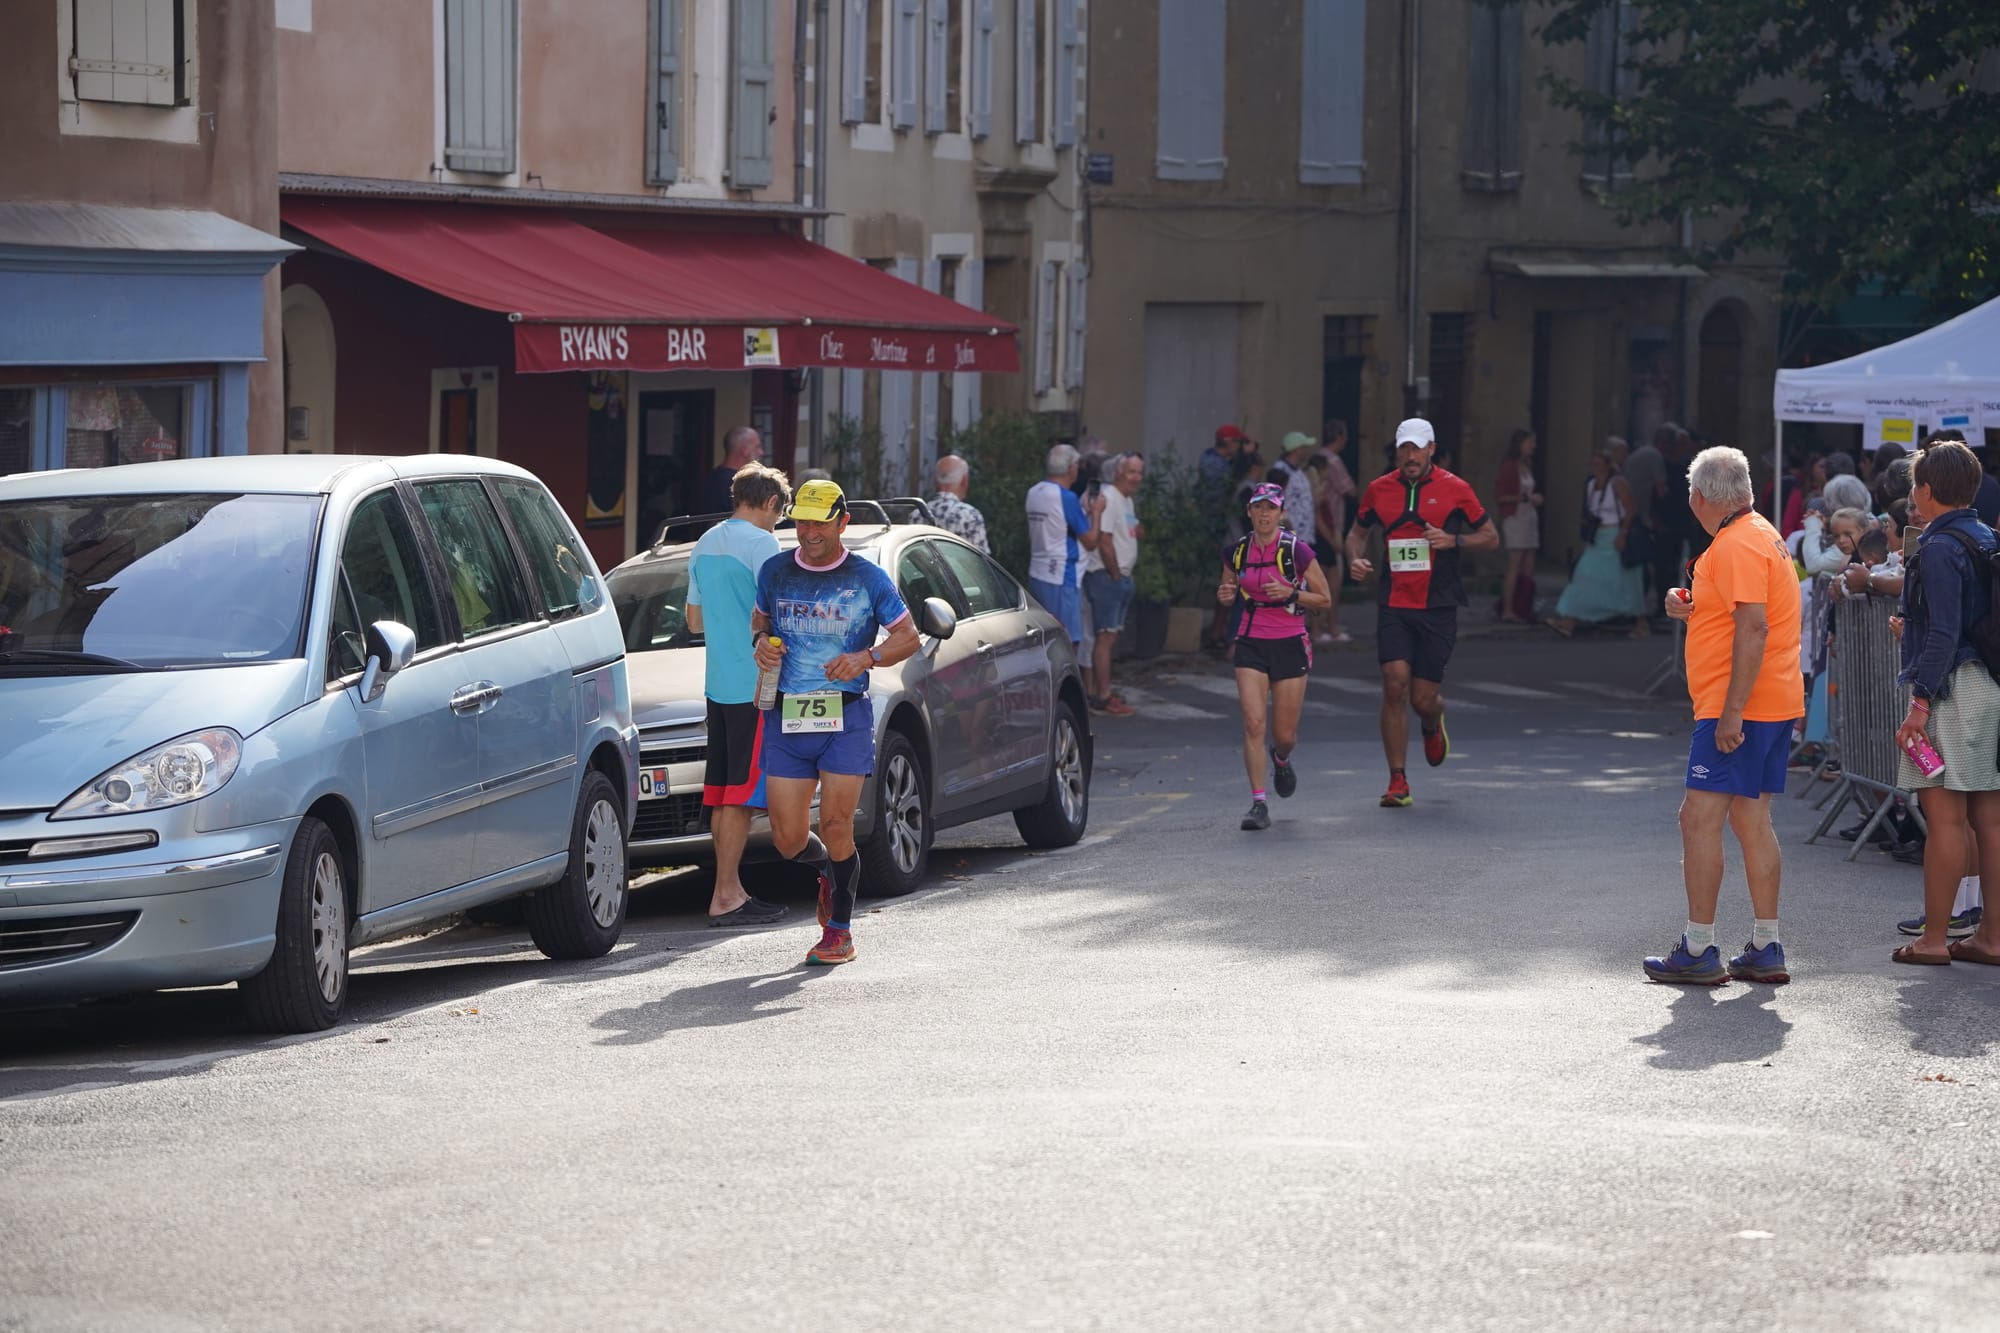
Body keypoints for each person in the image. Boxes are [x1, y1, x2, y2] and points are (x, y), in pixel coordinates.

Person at [1644, 446, 1804, 985]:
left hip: (1739, 707)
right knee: (1750, 818)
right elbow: (1739, 611)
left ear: (1700, 497)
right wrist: (1686, 599)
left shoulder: (1736, 544)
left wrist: (1731, 712)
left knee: (1698, 818)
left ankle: (1698, 947)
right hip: (1771, 700)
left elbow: (1753, 627)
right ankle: (1765, 941)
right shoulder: (1758, 535)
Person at [751, 480, 923, 966]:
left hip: (845, 716)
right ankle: (829, 869)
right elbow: (759, 622)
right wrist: (760, 643)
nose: (807, 532)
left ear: (842, 522)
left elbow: (908, 637)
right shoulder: (775, 571)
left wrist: (866, 657)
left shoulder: (867, 578)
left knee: (837, 822)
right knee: (786, 839)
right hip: (788, 715)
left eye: (818, 523)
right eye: (801, 521)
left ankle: (840, 932)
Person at [1346, 417, 1499, 808]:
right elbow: (1357, 533)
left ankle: (1433, 721)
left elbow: (1490, 536)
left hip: (1438, 603)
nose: (1410, 456)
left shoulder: (1455, 488)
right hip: (1394, 601)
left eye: (1417, 448)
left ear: (1431, 448)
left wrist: (1453, 539)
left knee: (1422, 698)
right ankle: (1397, 779)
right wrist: (1355, 559)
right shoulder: (1379, 490)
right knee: (1393, 682)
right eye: (1404, 449)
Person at [1887, 441, 2000, 966]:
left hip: (1952, 688)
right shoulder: (1985, 537)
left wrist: (1921, 703)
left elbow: (1945, 633)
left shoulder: (1936, 547)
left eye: (1915, 486)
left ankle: (1933, 939)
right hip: (1988, 685)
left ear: (1927, 491)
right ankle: (1991, 937)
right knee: (1990, 821)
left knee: (1947, 819)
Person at [685, 464, 792, 927]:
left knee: (725, 790)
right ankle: (726, 893)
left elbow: (693, 621)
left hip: (717, 684)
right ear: (770, 503)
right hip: (754, 684)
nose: (779, 525)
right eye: (780, 515)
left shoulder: (705, 542)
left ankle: (730, 890)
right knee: (740, 797)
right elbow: (776, 613)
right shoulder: (763, 543)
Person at [1218, 482, 1334, 830]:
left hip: (1289, 640)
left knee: (1284, 734)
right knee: (1253, 723)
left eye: (1271, 508)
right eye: (1259, 507)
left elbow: (1324, 599)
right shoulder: (1236, 552)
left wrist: (1292, 591)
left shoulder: (1297, 551)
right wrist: (1225, 594)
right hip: (1251, 641)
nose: (1265, 514)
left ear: (1281, 512)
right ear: (1250, 512)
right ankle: (1258, 803)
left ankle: (1281, 759)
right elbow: (1228, 590)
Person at [1547, 449, 1647, 638]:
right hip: (1599, 537)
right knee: (1583, 575)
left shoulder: (1617, 483)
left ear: (1608, 466)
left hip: (1615, 533)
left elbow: (1630, 508)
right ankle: (1569, 620)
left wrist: (1623, 533)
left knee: (1626, 580)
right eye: (1592, 464)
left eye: (1598, 464)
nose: (1595, 468)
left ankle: (1641, 621)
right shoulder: (1591, 485)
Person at [1081, 452, 1144, 717]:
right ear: (1118, 472)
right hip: (1107, 577)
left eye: (1139, 473)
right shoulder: (1109, 497)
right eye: (1131, 472)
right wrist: (1116, 573)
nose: (1136, 478)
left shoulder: (1125, 500)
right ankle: (1102, 697)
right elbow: (1104, 539)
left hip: (1120, 577)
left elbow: (1133, 530)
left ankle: (1102, 692)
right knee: (1105, 638)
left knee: (1109, 637)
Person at [1025, 444, 1100, 652]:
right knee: (1067, 640)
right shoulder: (1066, 497)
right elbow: (1091, 540)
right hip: (1061, 574)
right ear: (1071, 468)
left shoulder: (1034, 492)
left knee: (1044, 638)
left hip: (1038, 570)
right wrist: (1097, 513)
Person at [1492, 428, 1543, 623]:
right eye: (1530, 442)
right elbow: (1501, 495)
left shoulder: (1527, 464)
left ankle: (1523, 604)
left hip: (1529, 515)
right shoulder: (1509, 466)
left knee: (1528, 564)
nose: (1533, 446)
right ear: (1520, 444)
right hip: (1516, 517)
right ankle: (1507, 608)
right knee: (1515, 563)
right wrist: (1524, 497)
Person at [1312, 421, 1356, 644]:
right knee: (1331, 579)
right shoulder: (1333, 461)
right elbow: (1350, 490)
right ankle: (1328, 626)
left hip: (1323, 527)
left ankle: (1322, 627)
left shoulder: (1318, 457)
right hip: (1330, 527)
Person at [929, 454, 989, 553]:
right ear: (964, 481)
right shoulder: (970, 515)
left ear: (935, 480)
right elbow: (981, 562)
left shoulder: (917, 514)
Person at [703, 426, 765, 514]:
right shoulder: (737, 483)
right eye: (757, 447)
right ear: (745, 451)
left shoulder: (713, 477)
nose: (761, 452)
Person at [1274, 431, 1318, 537]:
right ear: (1297, 449)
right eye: (1305, 447)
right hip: (1288, 536)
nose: (1307, 451)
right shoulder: (1280, 470)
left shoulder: (1298, 471)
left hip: (1303, 536)